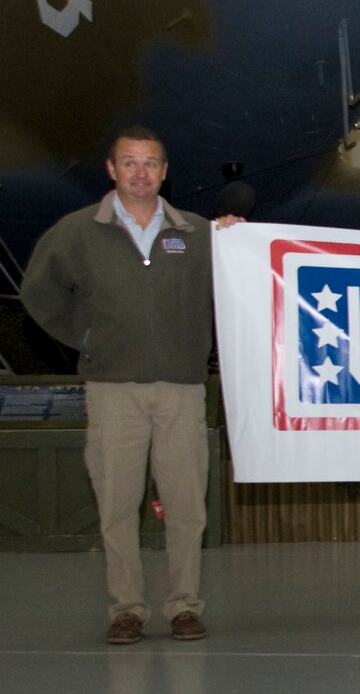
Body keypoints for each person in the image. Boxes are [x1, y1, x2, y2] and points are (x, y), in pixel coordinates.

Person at [21, 126, 241, 645]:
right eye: (129, 163)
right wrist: (88, 337)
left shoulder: (195, 233)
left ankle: (184, 606)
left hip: (182, 390)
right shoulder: (78, 232)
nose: (140, 172)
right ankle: (126, 610)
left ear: (165, 172)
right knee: (117, 506)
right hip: (112, 389)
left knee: (186, 506)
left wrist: (236, 234)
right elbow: (40, 292)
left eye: (150, 163)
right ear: (111, 170)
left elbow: (243, 277)